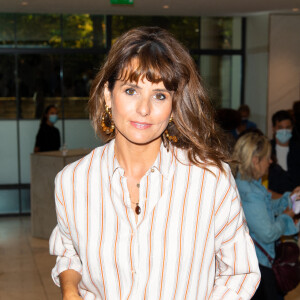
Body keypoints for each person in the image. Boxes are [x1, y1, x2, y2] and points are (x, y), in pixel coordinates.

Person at [49, 27, 260, 300]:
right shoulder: (72, 181)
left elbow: (240, 273)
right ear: (107, 95)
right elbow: (68, 251)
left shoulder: (210, 179)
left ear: (174, 105)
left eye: (160, 95)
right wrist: (69, 290)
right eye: (131, 90)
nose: (145, 108)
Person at [232, 132, 299, 300]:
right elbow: (268, 233)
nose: (270, 162)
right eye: (267, 158)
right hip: (259, 265)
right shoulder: (250, 193)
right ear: (255, 161)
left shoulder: (247, 183)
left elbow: (267, 208)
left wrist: (290, 198)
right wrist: (287, 216)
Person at [268, 110, 300, 194]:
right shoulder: (267, 149)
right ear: (274, 128)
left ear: (292, 128)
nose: (284, 131)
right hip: (272, 198)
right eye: (280, 128)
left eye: (288, 127)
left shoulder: (297, 150)